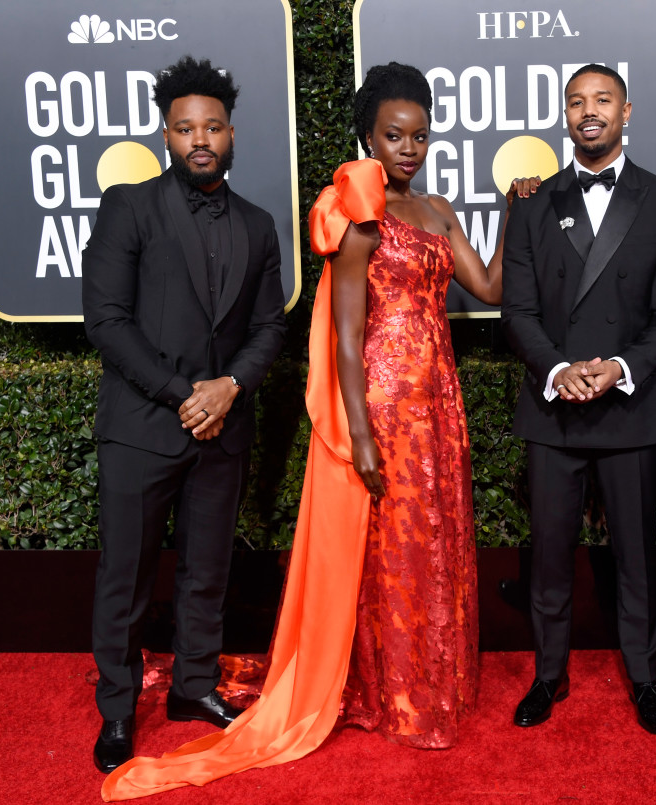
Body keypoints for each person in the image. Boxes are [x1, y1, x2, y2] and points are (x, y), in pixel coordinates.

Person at [99, 62, 537, 800]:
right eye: (394, 134)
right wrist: (361, 432)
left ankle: (426, 684)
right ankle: (377, 688)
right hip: (383, 405)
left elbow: (489, 287)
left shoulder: (438, 209)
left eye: (420, 136)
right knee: (382, 556)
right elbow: (343, 335)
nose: (408, 147)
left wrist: (515, 210)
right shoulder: (357, 214)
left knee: (430, 546)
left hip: (439, 404)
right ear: (368, 135)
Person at [83, 55, 286, 775]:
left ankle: (194, 688)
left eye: (212, 126)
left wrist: (229, 386)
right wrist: (183, 392)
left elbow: (270, 328)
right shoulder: (129, 207)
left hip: (223, 429)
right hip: (141, 427)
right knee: (126, 575)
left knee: (207, 569)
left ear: (231, 133)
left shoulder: (260, 226)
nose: (200, 138)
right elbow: (105, 320)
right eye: (184, 128)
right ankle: (116, 710)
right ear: (165, 135)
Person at [501, 64, 656, 735]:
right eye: (577, 102)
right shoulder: (530, 202)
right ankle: (547, 675)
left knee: (636, 559)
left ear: (627, 110)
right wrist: (560, 369)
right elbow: (517, 309)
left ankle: (644, 679)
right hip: (554, 408)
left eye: (603, 100)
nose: (589, 112)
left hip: (630, 410)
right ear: (565, 114)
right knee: (548, 557)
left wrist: (616, 366)